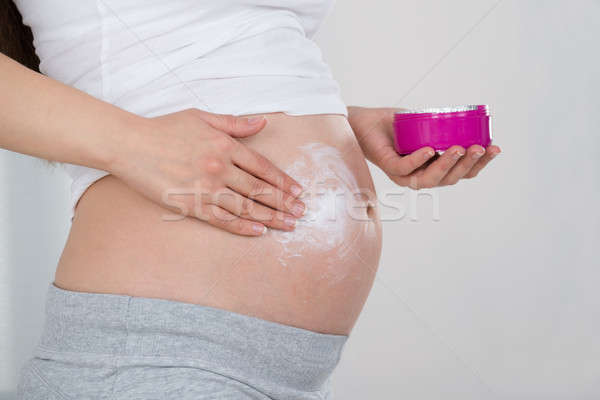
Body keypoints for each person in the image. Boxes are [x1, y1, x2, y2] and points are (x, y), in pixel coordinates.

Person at [0, 1, 501, 399]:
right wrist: (132, 143)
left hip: (299, 370)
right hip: (159, 357)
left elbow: (218, 52)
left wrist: (329, 120)